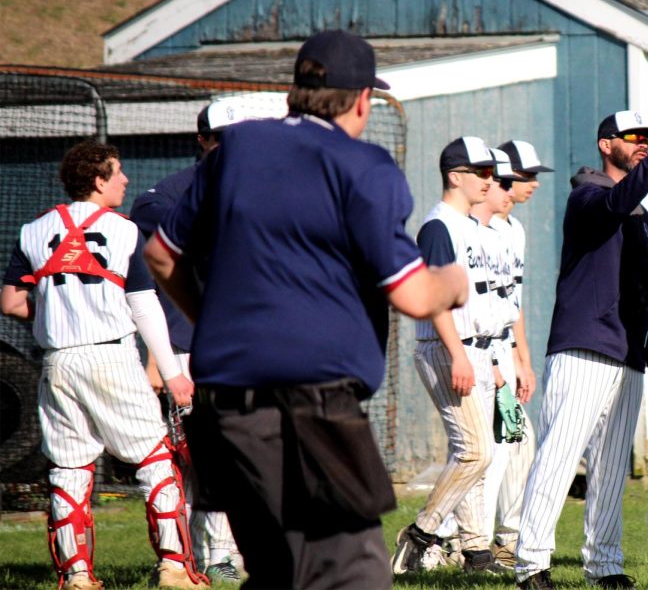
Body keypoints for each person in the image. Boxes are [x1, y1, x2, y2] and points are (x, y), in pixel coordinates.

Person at [143, 29, 468, 590]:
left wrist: (215, 323)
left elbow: (160, 256)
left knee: (277, 572)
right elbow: (413, 295)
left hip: (224, 409)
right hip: (310, 406)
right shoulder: (362, 165)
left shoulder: (234, 150)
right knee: (353, 575)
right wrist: (453, 282)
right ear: (363, 99)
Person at [2, 140, 203, 590]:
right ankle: (174, 568)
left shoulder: (33, 230)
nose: (125, 180)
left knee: (69, 469)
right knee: (155, 459)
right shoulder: (126, 230)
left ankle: (76, 575)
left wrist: (56, 314)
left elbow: (12, 303)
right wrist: (172, 373)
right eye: (118, 173)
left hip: (58, 362)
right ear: (98, 180)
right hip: (110, 355)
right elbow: (144, 305)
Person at [515, 111, 648, 590]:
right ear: (605, 144)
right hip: (584, 346)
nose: (642, 143)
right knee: (559, 456)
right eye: (633, 138)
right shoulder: (587, 195)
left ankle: (604, 564)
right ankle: (531, 563)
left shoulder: (641, 214)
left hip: (628, 350)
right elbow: (615, 203)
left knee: (613, 468)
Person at [130, 101, 247, 584]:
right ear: (203, 141)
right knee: (204, 459)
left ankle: (235, 551)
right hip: (187, 346)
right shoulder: (169, 195)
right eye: (220, 137)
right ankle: (211, 553)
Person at [392, 136, 507, 575]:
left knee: (474, 452)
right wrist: (459, 355)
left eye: (490, 172)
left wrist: (492, 360)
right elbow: (436, 299)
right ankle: (421, 534)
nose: (488, 179)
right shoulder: (439, 226)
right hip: (446, 347)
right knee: (476, 451)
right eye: (480, 172)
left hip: (472, 348)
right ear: (455, 176)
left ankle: (476, 554)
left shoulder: (472, 227)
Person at [489, 139, 553, 567]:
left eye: (533, 176)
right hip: (479, 347)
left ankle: (500, 540)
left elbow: (514, 303)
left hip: (504, 346)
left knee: (516, 442)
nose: (531, 184)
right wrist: (496, 366)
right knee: (491, 450)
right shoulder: (478, 226)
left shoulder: (515, 229)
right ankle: (449, 537)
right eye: (524, 176)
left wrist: (523, 360)